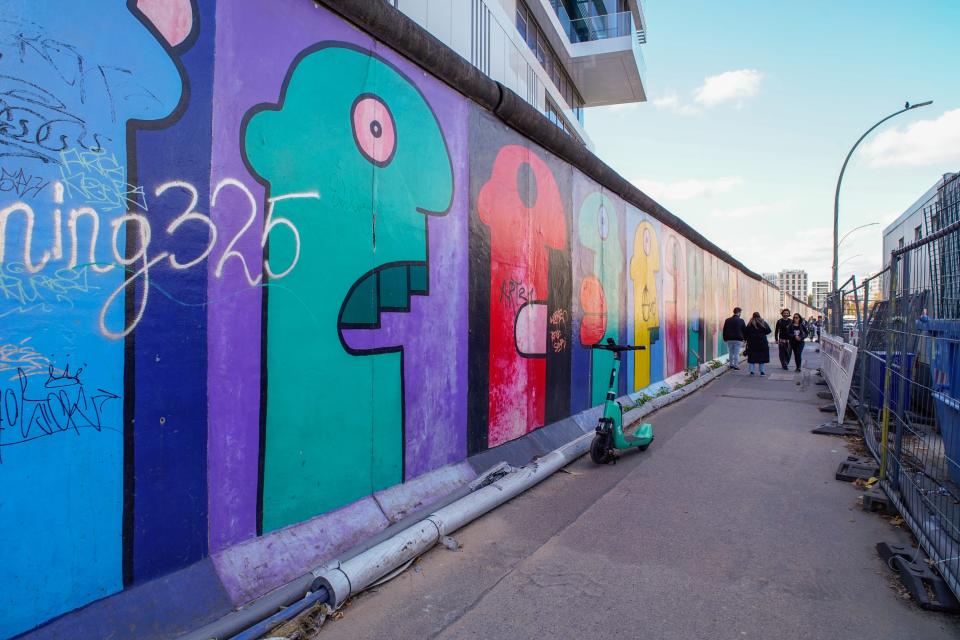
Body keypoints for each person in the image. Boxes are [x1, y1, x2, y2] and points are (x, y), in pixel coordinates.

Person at [743, 312, 771, 376]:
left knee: (751, 358)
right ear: (759, 316)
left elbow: (746, 332)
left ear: (753, 316)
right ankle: (762, 372)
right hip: (762, 342)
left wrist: (746, 339)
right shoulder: (763, 322)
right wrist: (762, 334)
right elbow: (768, 331)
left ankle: (752, 372)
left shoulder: (750, 323)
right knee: (762, 357)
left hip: (752, 343)